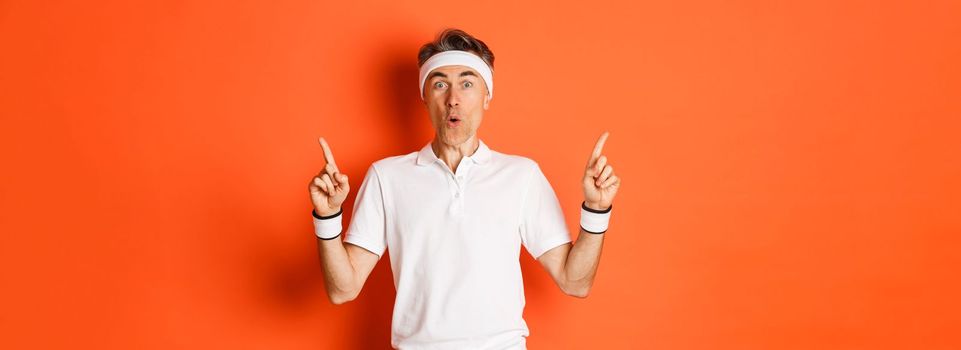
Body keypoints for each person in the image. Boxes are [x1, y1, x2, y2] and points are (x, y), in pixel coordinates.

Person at [307, 28, 621, 350]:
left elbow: (575, 282)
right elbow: (343, 289)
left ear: (487, 96)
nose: (453, 98)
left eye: (467, 84)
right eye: (440, 83)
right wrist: (328, 216)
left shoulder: (521, 176)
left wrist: (596, 211)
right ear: (424, 97)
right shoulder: (387, 177)